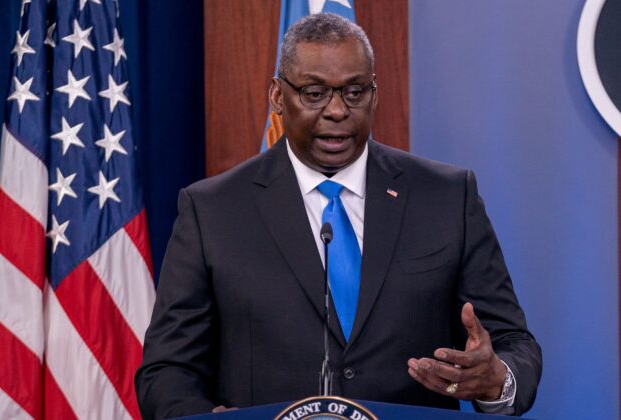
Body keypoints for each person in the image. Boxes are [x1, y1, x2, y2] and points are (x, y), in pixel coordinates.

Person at [136, 13, 541, 419]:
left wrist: (497, 380)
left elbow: (513, 342)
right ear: (278, 96)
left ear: (374, 94)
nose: (336, 110)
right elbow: (166, 371)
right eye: (314, 93)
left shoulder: (446, 197)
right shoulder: (213, 211)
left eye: (354, 92)